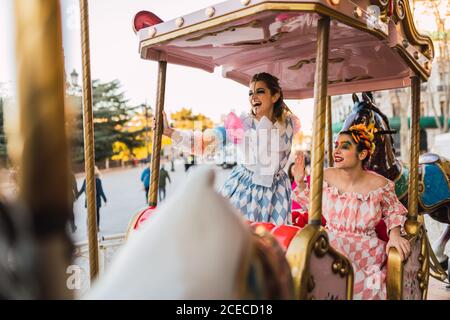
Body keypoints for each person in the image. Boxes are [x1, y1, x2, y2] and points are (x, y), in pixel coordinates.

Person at [155, 72, 300, 225]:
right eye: (251, 93)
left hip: (276, 192)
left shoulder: (288, 123)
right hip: (246, 190)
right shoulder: (240, 123)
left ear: (275, 96)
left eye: (260, 91)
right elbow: (205, 144)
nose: (253, 97)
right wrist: (170, 132)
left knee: (273, 241)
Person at [292, 123, 411, 300]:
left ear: (362, 154)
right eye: (336, 145)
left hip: (366, 250)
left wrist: (394, 235)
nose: (336, 151)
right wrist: (300, 182)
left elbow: (394, 211)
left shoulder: (380, 184)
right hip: (333, 243)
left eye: (344, 146)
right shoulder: (325, 175)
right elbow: (311, 205)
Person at [77, 166, 107, 232]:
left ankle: (89, 227)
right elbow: (100, 191)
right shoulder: (98, 180)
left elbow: (82, 189)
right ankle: (97, 227)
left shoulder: (86, 180)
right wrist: (105, 199)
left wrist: (77, 196)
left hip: (89, 200)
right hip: (96, 201)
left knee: (89, 214)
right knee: (97, 214)